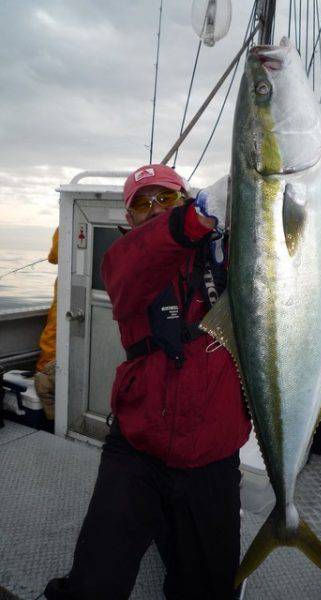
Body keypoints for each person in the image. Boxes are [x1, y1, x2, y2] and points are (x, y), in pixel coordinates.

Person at [44, 165, 251, 600]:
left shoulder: (230, 255)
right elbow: (132, 268)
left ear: (184, 197)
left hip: (212, 456)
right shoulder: (122, 261)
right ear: (129, 219)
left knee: (209, 589)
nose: (155, 208)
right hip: (138, 450)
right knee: (95, 582)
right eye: (142, 202)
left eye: (166, 198)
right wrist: (191, 220)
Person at [34, 227, 58, 423]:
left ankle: (46, 377)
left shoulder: (65, 227)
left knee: (54, 331)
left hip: (68, 285)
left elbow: (53, 257)